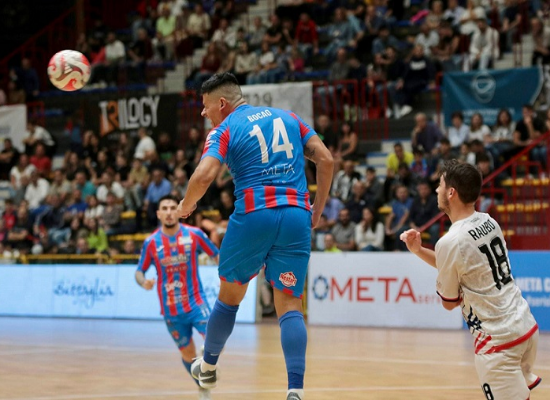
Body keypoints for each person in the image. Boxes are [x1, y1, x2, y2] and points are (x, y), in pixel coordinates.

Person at [176, 72, 334, 400]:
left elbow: (204, 176)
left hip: (254, 213)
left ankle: (208, 367)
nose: (203, 112)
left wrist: (185, 206)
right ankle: (295, 390)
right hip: (296, 214)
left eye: (205, 106)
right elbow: (326, 159)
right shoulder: (289, 118)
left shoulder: (224, 129)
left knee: (230, 298)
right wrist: (317, 209)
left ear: (222, 103)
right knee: (289, 303)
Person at [400, 159, 540, 399]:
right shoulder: (489, 221)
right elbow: (464, 265)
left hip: (498, 341)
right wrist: (419, 250)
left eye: (440, 185)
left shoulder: (450, 241)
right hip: (525, 326)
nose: (437, 189)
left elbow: (449, 302)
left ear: (451, 192)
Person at [136, 194, 219, 400]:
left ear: (179, 211)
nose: (169, 212)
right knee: (188, 355)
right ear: (158, 214)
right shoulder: (151, 242)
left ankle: (208, 358)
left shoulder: (194, 234)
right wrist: (143, 282)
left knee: (214, 336)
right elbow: (139, 272)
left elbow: (216, 255)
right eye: (164, 208)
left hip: (196, 301)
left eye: (173, 208)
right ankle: (202, 386)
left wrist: (226, 275)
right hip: (171, 310)